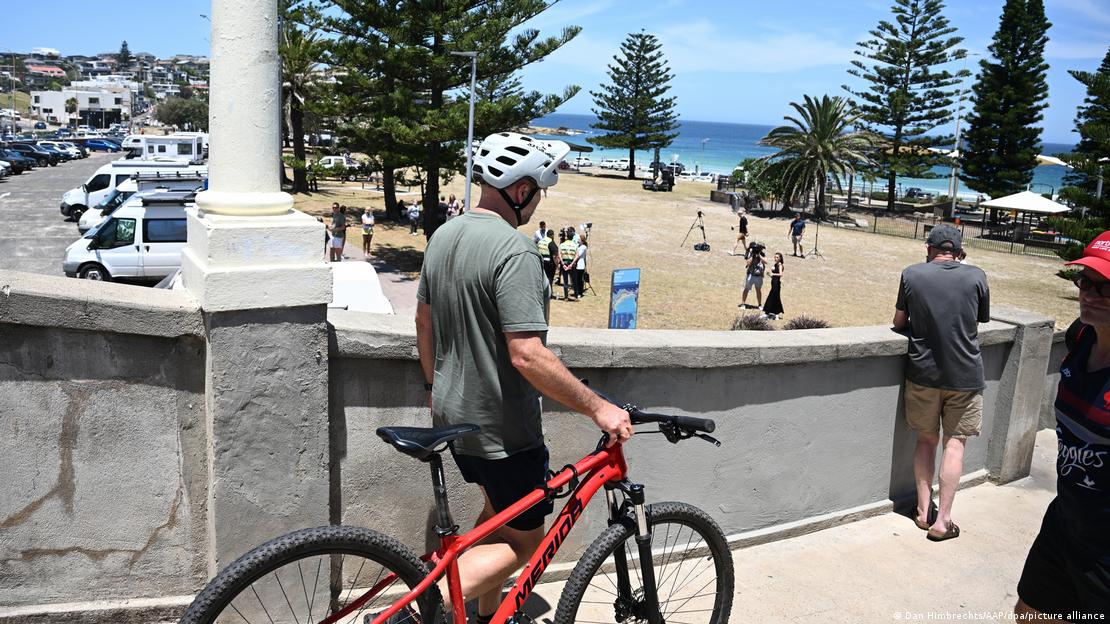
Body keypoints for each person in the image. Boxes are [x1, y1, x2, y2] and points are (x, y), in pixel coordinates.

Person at [414, 131, 632, 624]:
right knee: (526, 543)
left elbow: (423, 325)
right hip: (503, 429)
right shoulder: (516, 253)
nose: (540, 199)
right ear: (520, 189)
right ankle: (416, 613)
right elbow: (528, 355)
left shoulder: (443, 236)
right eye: (541, 188)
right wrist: (600, 407)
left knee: (496, 518)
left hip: (454, 419)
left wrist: (434, 390)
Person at [1013, 231, 1110, 620]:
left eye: (1106, 286)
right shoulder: (1081, 335)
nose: (1090, 293)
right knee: (1030, 613)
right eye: (1085, 280)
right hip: (1065, 523)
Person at [892, 224, 990, 542]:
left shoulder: (912, 274)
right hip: (965, 376)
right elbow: (975, 320)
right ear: (958, 251)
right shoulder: (977, 276)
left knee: (926, 441)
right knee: (955, 443)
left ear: (929, 248)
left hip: (922, 373)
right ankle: (943, 521)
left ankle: (923, 512)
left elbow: (898, 322)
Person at [740, 244, 766, 309]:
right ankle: (743, 303)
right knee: (746, 289)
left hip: (759, 276)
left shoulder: (762, 254)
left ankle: (759, 305)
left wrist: (759, 255)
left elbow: (765, 262)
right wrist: (753, 256)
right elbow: (748, 263)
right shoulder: (750, 254)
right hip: (751, 275)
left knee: (758, 290)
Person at [762, 253, 785, 320]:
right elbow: (774, 276)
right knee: (775, 297)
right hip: (774, 282)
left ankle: (769, 313)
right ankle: (774, 313)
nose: (775, 258)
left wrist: (773, 273)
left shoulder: (780, 265)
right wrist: (769, 274)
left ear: (780, 258)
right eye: (775, 257)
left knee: (773, 297)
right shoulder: (775, 265)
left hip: (776, 283)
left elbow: (780, 274)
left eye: (777, 257)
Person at [559, 229, 579, 301]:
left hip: (564, 264)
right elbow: (577, 255)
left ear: (567, 236)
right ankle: (576, 297)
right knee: (574, 281)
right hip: (572, 265)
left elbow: (559, 255)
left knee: (565, 281)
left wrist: (563, 263)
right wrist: (572, 264)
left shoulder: (562, 245)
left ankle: (566, 297)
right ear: (572, 237)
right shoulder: (575, 245)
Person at [536, 228, 557, 298]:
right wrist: (556, 264)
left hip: (541, 262)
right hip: (549, 263)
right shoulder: (551, 242)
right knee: (549, 279)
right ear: (552, 235)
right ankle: (549, 293)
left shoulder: (541, 241)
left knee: (542, 278)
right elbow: (554, 255)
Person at [571, 233, 588, 299]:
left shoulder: (583, 247)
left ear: (582, 241)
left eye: (579, 239)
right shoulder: (578, 246)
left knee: (580, 280)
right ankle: (577, 291)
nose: (578, 240)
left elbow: (579, 255)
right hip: (577, 264)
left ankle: (580, 292)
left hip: (580, 265)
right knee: (576, 279)